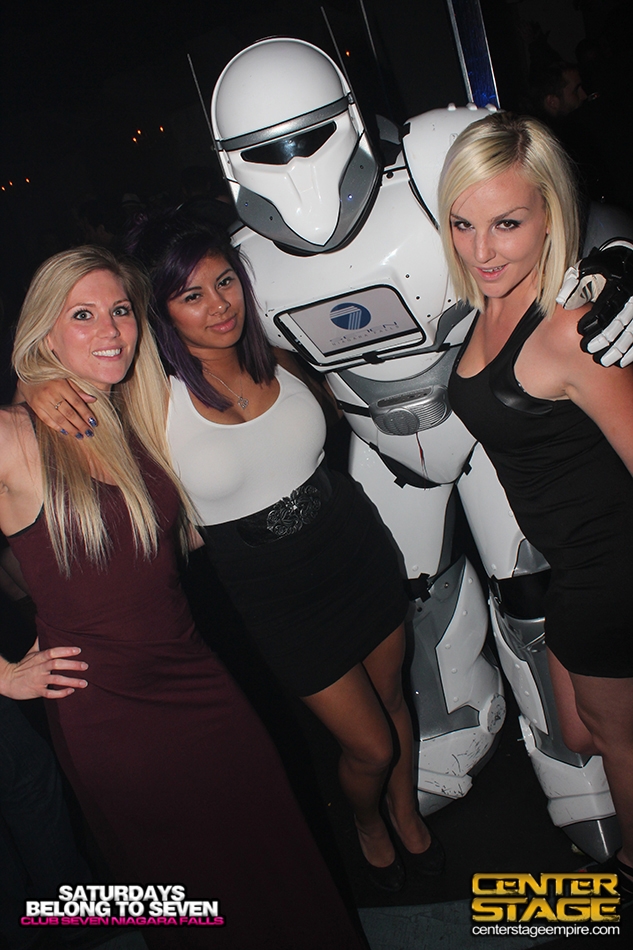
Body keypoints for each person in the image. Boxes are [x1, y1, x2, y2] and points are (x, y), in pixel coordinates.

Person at [23, 217, 442, 893]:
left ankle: (406, 813)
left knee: (394, 699)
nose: (219, 305)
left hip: (354, 550)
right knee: (368, 745)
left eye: (225, 282)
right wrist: (33, 383)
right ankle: (369, 821)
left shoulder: (279, 354)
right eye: (191, 295)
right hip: (275, 594)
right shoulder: (150, 399)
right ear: (160, 313)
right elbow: (70, 396)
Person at [439, 111, 633, 892]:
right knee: (580, 736)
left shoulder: (570, 328)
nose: (480, 250)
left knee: (613, 745)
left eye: (506, 224)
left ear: (549, 214)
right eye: (462, 224)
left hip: (609, 571)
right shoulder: (488, 305)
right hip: (566, 568)